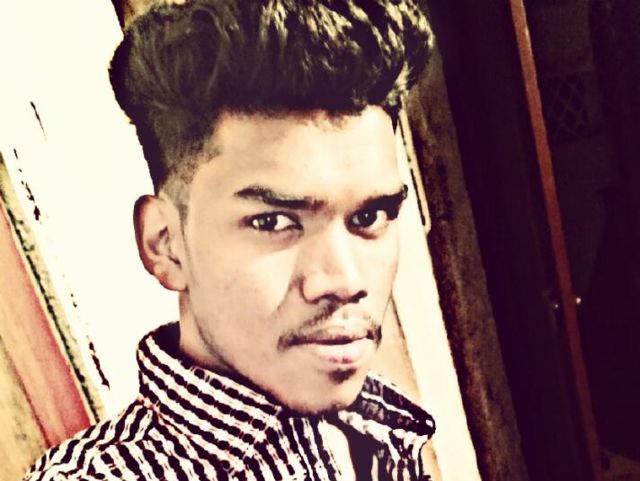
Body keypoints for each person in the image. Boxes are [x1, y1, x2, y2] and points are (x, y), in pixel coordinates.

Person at [24, 0, 435, 479]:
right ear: (165, 245)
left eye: (369, 216)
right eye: (273, 222)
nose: (345, 280)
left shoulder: (377, 430)